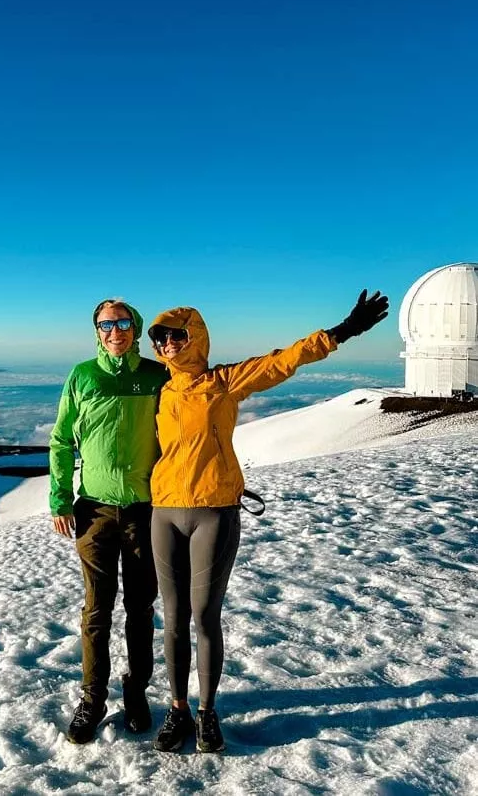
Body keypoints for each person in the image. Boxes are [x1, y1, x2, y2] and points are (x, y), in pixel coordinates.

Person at [146, 290, 389, 754]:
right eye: (160, 338)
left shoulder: (226, 381)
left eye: (176, 335)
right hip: (164, 512)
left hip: (214, 512)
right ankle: (177, 709)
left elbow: (283, 360)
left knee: (203, 617)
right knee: (173, 618)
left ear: (195, 336)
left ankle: (206, 712)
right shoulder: (160, 386)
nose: (168, 344)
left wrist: (341, 332)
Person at [49, 299, 169, 744]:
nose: (114, 331)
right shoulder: (83, 375)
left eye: (122, 323)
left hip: (145, 509)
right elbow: (61, 439)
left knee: (140, 609)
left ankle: (135, 693)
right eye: (106, 324)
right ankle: (93, 698)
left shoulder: (157, 375)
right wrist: (60, 499)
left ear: (135, 329)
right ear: (97, 331)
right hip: (94, 510)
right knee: (96, 611)